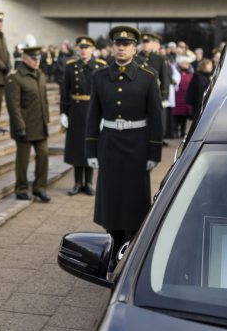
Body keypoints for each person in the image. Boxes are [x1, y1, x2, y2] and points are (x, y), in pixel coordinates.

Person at [86, 25, 164, 249]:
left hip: (136, 145)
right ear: (112, 47)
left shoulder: (148, 76)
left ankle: (130, 248)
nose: (121, 48)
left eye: (127, 44)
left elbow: (156, 117)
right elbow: (93, 115)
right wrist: (90, 150)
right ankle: (113, 245)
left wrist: (154, 152)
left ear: (134, 49)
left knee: (134, 198)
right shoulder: (99, 76)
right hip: (109, 143)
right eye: (118, 44)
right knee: (111, 197)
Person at [61, 36, 106, 195]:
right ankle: (77, 182)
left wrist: (105, 114)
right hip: (76, 111)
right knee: (77, 148)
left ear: (93, 49)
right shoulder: (70, 67)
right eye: (81, 47)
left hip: (93, 111)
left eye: (87, 47)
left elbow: (104, 93)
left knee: (91, 145)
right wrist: (63, 113)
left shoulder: (101, 66)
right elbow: (65, 92)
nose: (83, 50)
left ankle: (89, 182)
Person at [5, 45, 51, 202]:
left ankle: (39, 188)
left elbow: (44, 100)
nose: (37, 61)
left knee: (43, 155)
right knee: (23, 160)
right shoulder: (15, 77)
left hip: (40, 124)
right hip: (24, 126)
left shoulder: (40, 74)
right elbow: (13, 105)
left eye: (39, 58)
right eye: (33, 58)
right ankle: (22, 188)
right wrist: (20, 126)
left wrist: (47, 120)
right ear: (24, 58)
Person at [172, 54, 196, 138]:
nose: (186, 65)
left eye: (187, 63)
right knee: (176, 116)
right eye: (184, 63)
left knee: (184, 117)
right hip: (177, 97)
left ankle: (182, 132)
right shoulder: (175, 72)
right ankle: (175, 131)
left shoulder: (191, 73)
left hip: (186, 97)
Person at [187, 57, 214, 125]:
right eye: (209, 65)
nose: (211, 67)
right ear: (204, 66)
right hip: (199, 105)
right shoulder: (199, 77)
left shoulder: (204, 77)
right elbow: (200, 93)